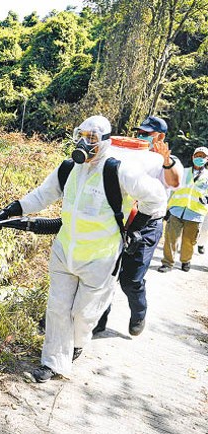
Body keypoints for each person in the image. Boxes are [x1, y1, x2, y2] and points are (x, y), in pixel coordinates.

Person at [0, 116, 166, 383]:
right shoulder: (68, 168)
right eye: (81, 135)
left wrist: (135, 229)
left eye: (92, 138)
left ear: (106, 142)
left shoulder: (118, 171)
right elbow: (42, 195)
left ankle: (79, 343)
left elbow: (156, 199)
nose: (85, 142)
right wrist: (8, 211)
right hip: (65, 251)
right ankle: (52, 363)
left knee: (83, 315)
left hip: (101, 257)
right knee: (57, 308)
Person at [93, 115, 183, 336]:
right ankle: (99, 319)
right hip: (118, 222)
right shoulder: (129, 155)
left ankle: (139, 313)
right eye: (139, 133)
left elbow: (175, 182)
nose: (140, 137)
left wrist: (166, 160)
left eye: (146, 134)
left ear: (160, 137)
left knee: (130, 279)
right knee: (105, 272)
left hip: (147, 225)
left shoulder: (170, 162)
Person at [159, 146, 208, 272]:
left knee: (189, 241)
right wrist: (167, 207)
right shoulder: (183, 171)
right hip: (177, 210)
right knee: (170, 238)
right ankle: (167, 263)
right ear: (192, 157)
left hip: (196, 213)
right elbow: (172, 187)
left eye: (202, 157)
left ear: (207, 159)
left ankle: (186, 261)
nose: (199, 159)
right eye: (197, 156)